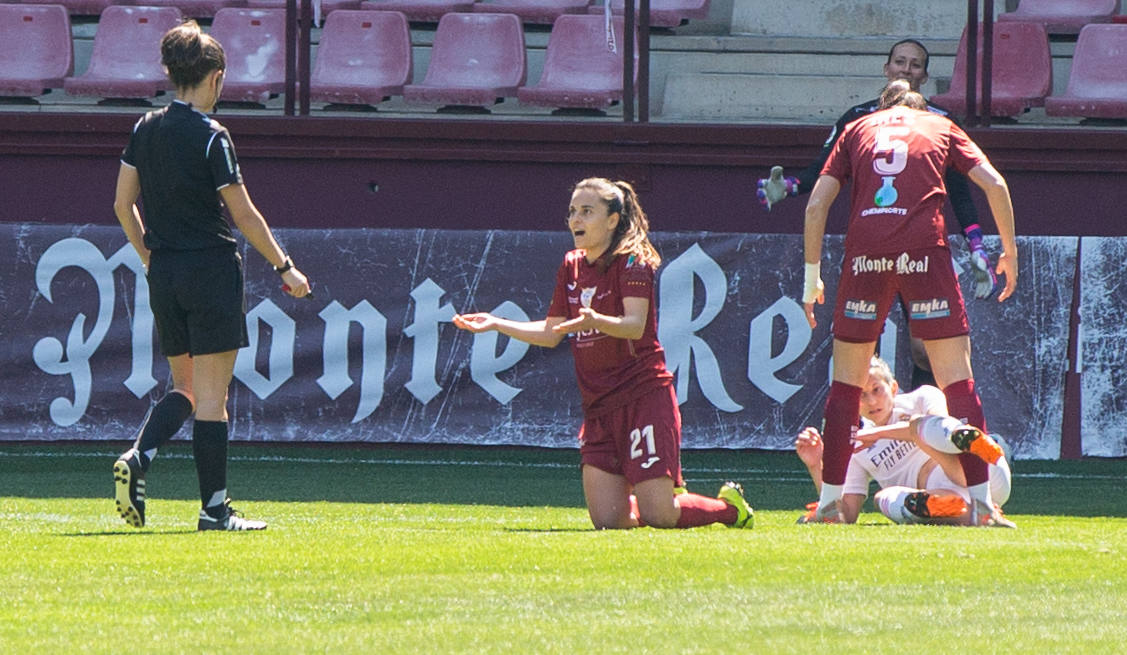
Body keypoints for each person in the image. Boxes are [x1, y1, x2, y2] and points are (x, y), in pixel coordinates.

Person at [453, 178, 753, 530]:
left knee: (660, 516)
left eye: (586, 211)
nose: (575, 220)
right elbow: (552, 334)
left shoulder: (632, 262)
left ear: (612, 220)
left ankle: (731, 509)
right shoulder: (571, 265)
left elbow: (634, 325)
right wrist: (496, 324)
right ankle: (657, 492)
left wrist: (597, 320)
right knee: (610, 523)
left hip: (643, 397)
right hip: (598, 406)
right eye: (572, 212)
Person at [111, 20, 311, 531]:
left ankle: (141, 455)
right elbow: (244, 215)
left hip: (165, 273)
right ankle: (214, 511)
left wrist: (148, 256)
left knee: (185, 387)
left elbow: (121, 204)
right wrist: (284, 267)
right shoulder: (212, 136)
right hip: (211, 271)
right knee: (214, 400)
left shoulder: (144, 127)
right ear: (215, 78)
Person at [800, 80, 1018, 527]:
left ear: (883, 108)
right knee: (959, 384)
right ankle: (980, 504)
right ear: (920, 106)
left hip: (866, 255)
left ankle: (828, 506)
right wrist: (1009, 253)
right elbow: (994, 183)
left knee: (845, 387)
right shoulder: (939, 124)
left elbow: (816, 205)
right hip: (924, 251)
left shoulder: (857, 127)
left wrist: (811, 277)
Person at [795, 357, 1012, 525]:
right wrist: (816, 465)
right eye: (860, 395)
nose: (871, 401)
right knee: (883, 498)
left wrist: (879, 434)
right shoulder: (857, 445)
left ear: (893, 388)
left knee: (923, 425)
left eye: (876, 390)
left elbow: (943, 423)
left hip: (979, 471)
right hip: (948, 494)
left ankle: (980, 442)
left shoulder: (921, 397)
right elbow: (847, 513)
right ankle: (971, 515)